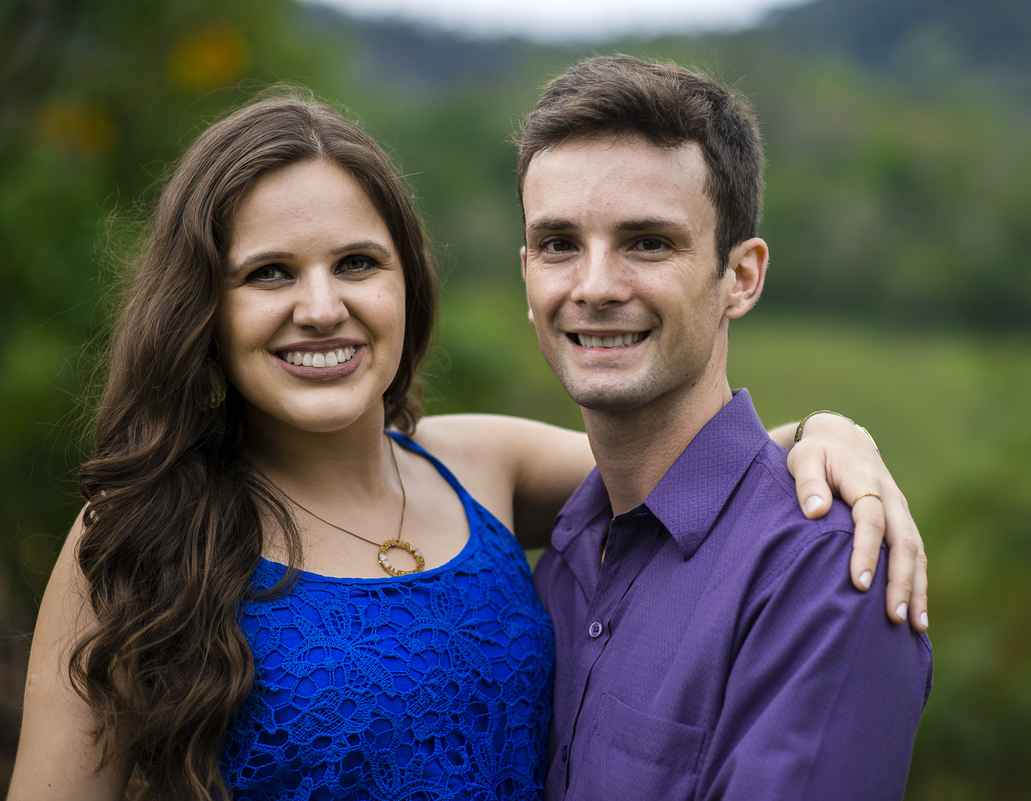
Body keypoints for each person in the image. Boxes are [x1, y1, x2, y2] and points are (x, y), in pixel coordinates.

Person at [9, 89, 924, 800]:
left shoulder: (481, 463)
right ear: (205, 308)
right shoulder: (137, 533)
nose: (321, 306)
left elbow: (692, 476)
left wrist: (826, 433)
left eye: (357, 263)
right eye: (268, 273)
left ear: (409, 281)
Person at [518, 55, 934, 800]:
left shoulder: (823, 573)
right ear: (527, 273)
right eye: (559, 244)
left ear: (740, 276)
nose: (594, 286)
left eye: (647, 242)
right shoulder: (563, 554)